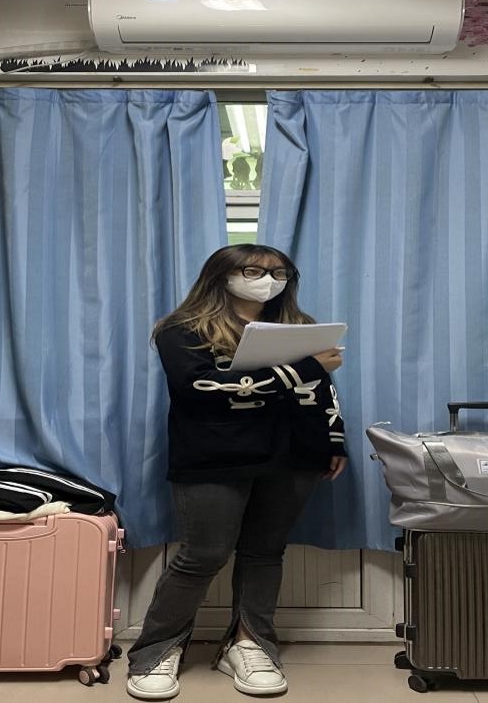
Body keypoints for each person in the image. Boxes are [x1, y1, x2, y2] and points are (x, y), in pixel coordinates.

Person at [126, 244, 346, 700]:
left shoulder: (300, 327)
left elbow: (322, 389)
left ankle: (249, 644)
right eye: (254, 271)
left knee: (264, 552)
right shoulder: (181, 330)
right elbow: (199, 389)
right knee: (202, 555)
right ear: (221, 275)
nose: (269, 281)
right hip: (214, 455)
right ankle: (156, 650)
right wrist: (300, 369)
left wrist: (334, 437)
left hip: (295, 454)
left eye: (280, 273)